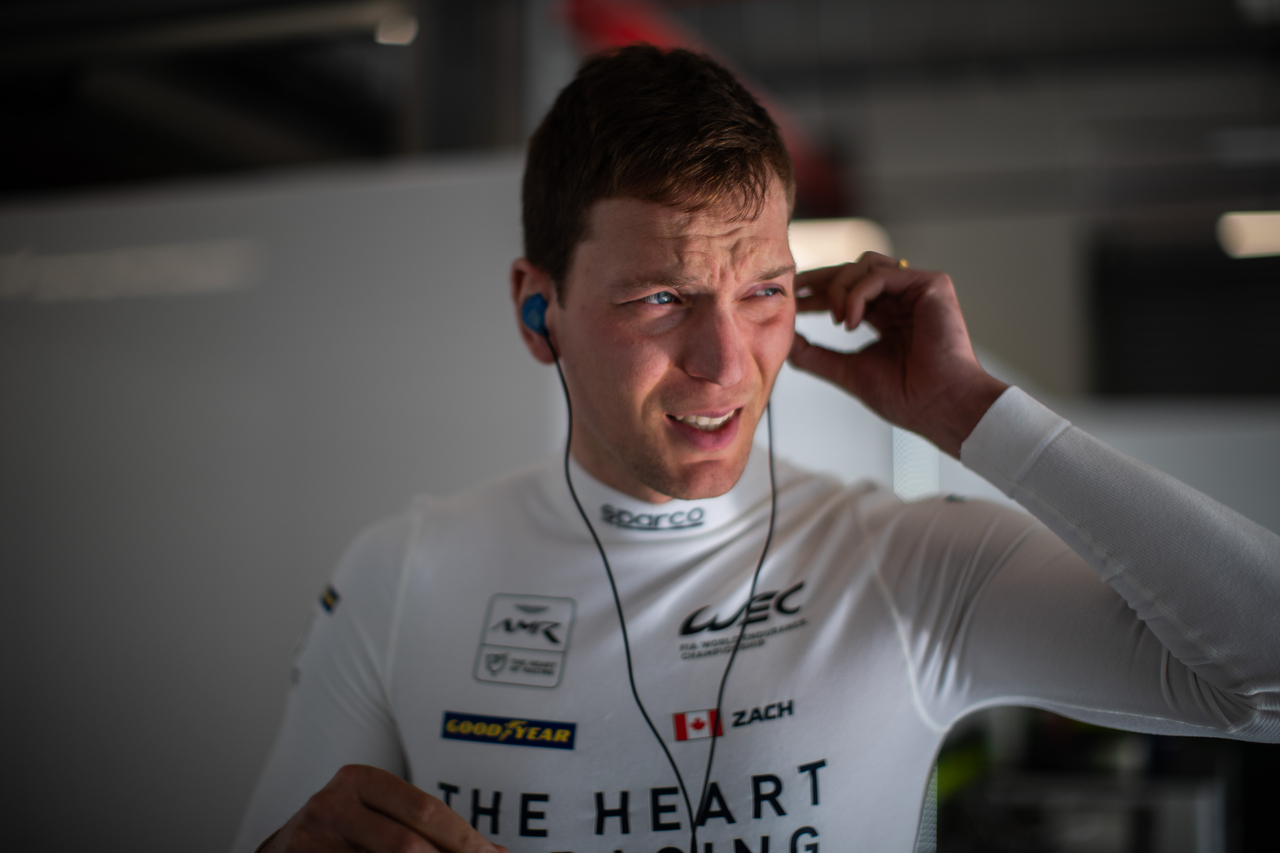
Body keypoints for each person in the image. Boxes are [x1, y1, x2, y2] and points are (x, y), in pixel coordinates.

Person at [231, 45, 1280, 853]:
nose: (726, 362)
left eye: (765, 291)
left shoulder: (903, 565)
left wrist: (973, 414)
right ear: (536, 309)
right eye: (661, 297)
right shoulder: (403, 572)